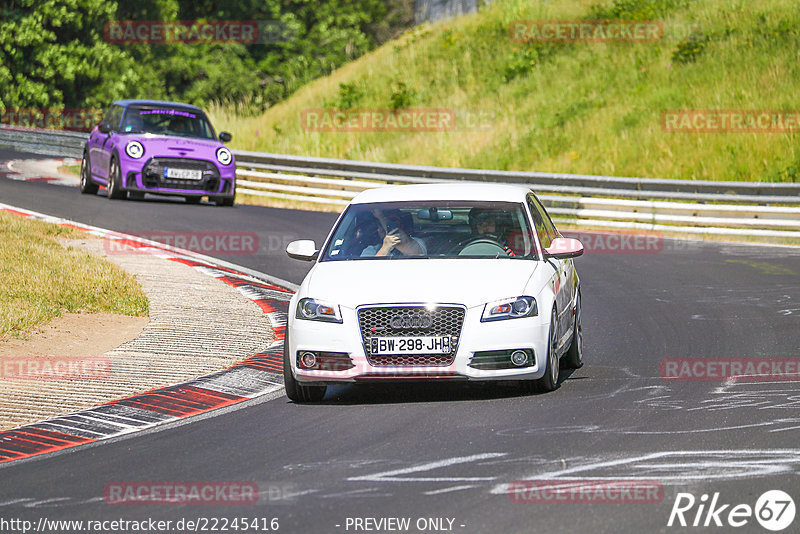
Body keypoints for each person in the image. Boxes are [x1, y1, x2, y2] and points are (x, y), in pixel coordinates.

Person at [360, 211, 426, 257]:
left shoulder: (416, 242)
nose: (381, 229)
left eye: (392, 223)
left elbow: (415, 253)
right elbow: (368, 270)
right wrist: (385, 248)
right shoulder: (371, 250)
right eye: (379, 225)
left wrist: (381, 217)